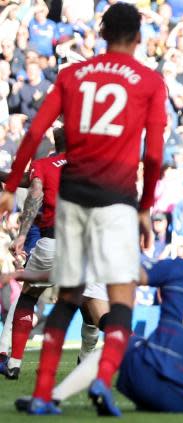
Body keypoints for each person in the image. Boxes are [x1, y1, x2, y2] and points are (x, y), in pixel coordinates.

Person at [0, 3, 167, 415]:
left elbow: (37, 130)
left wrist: (9, 185)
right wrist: (145, 208)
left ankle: (42, 395)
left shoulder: (73, 75)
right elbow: (155, 155)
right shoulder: (149, 81)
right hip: (117, 202)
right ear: (139, 37)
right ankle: (102, 381)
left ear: (102, 32)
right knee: (120, 301)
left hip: (73, 200)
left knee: (66, 299)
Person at [8, 215, 183, 417]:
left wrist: (30, 275)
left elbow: (101, 273)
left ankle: (54, 396)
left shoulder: (176, 268)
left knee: (121, 339)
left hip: (143, 383)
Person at [0, 128, 104, 380]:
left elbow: (34, 191)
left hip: (53, 241)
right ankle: (93, 356)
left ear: (54, 144)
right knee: (92, 306)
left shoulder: (44, 165)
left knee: (29, 296)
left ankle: (13, 363)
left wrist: (22, 234)